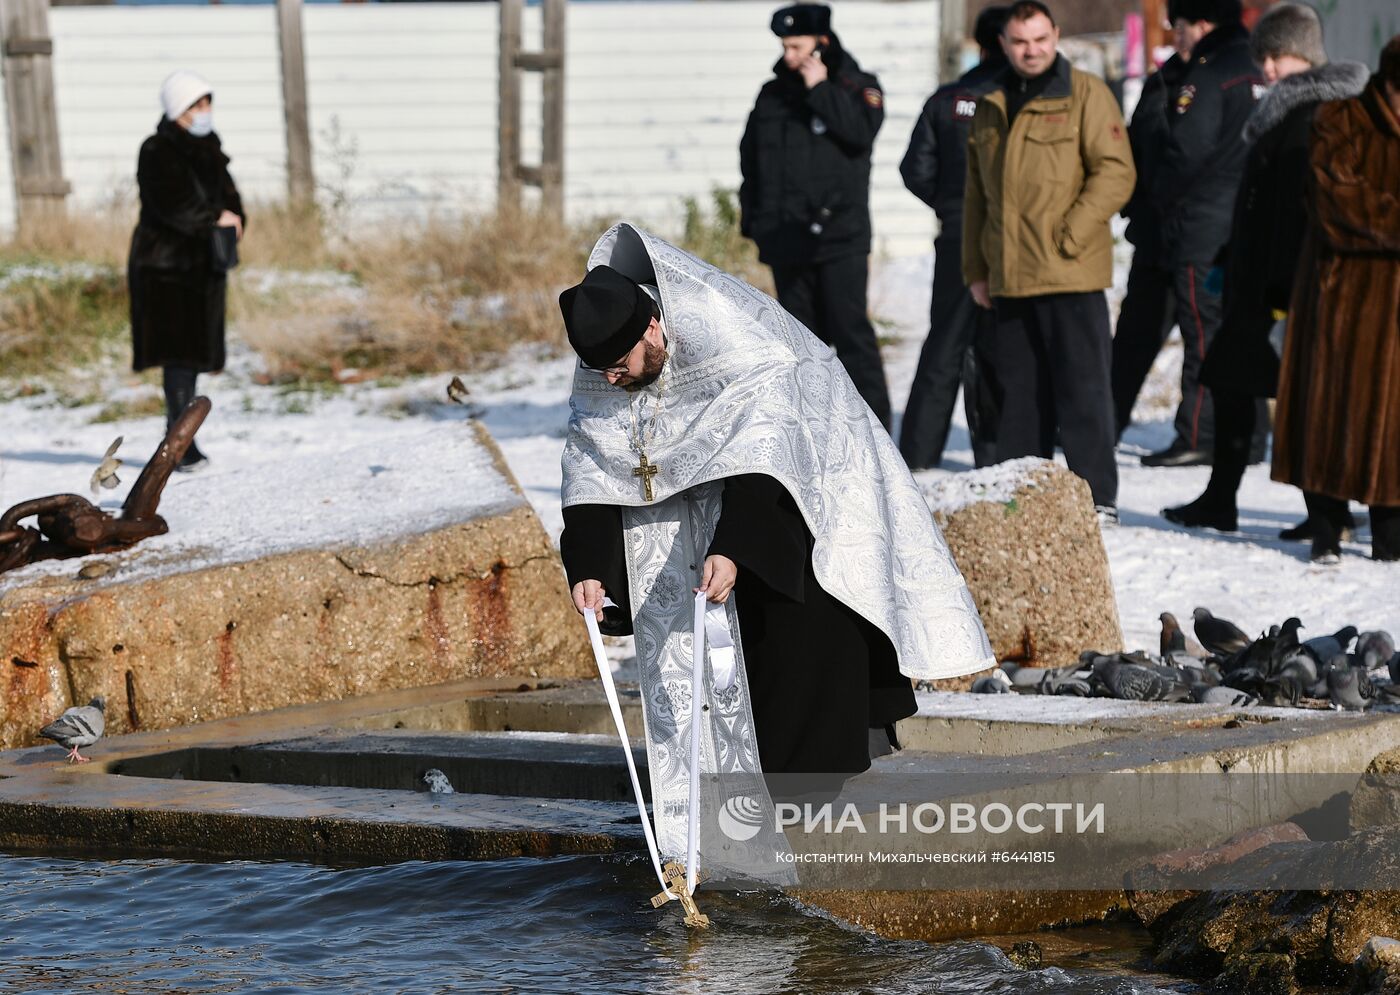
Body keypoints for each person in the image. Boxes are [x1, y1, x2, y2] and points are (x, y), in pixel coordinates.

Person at [557, 224, 993, 864]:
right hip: (694, 514)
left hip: (800, 501)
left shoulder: (742, 343)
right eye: (601, 371)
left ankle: (802, 813)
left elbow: (769, 457)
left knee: (793, 643)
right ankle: (712, 827)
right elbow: (594, 462)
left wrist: (736, 546)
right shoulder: (606, 364)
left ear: (653, 326)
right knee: (696, 656)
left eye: (621, 366)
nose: (612, 381)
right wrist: (590, 565)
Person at [1163, 4, 1368, 534]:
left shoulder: (1314, 115)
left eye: (1276, 57)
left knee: (1303, 400)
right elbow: (1260, 202)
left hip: (1288, 284)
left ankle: (1326, 510)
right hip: (1260, 277)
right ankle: (1242, 499)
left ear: (1303, 54)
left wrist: (1279, 287)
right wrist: (1232, 257)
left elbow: (1296, 211)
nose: (1267, 69)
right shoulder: (1285, 110)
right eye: (1264, 58)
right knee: (1243, 385)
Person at [962, 0, 1136, 524]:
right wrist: (976, 269)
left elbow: (1116, 173)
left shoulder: (1085, 93)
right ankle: (1027, 494)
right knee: (1022, 397)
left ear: (1056, 35)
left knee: (1083, 392)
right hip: (1010, 278)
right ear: (1005, 44)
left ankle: (1095, 498)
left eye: (1040, 38)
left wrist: (1070, 233)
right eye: (1020, 41)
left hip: (1069, 272)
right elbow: (977, 199)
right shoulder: (990, 102)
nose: (1031, 50)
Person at [1271, 36, 1400, 565]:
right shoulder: (1341, 119)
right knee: (1328, 413)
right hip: (1340, 295)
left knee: (1392, 424)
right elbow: (1338, 202)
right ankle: (1326, 522)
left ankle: (1389, 525)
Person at [739, 3, 892, 430]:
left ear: (822, 44)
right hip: (786, 240)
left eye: (798, 46)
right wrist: (755, 222)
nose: (790, 55)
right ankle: (814, 429)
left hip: (839, 238)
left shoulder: (856, 86)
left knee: (850, 334)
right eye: (785, 46)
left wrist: (821, 88)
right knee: (800, 345)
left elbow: (861, 134)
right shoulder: (772, 95)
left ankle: (876, 431)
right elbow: (751, 162)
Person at [1141, 0, 1263, 467]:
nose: (1177, 38)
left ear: (1203, 24)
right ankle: (1246, 438)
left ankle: (1197, 433)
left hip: (1203, 229)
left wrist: (1160, 198)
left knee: (1203, 334)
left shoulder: (1206, 76)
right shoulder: (1257, 66)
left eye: (1181, 27)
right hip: (1247, 227)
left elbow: (1185, 153)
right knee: (1242, 331)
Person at [897, 5, 1009, 471]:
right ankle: (998, 454)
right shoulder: (1022, 97)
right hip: (1011, 241)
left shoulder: (947, 99)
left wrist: (951, 207)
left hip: (958, 238)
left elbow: (914, 169)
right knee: (1002, 348)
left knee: (944, 345)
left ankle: (919, 454)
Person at [129, 71, 244, 471]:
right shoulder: (157, 150)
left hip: (202, 267)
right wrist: (217, 216)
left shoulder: (209, 148)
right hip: (167, 267)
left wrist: (234, 215)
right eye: (195, 105)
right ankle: (179, 444)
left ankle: (178, 439)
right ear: (178, 110)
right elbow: (173, 204)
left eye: (206, 103)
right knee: (178, 355)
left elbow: (230, 196)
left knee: (192, 357)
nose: (204, 112)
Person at [1109, 17, 1189, 439]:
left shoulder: (1230, 79)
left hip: (1203, 241)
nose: (1184, 33)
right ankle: (1108, 421)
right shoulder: (1160, 84)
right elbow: (1132, 151)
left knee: (1207, 349)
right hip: (1154, 235)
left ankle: (1202, 436)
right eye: (1180, 24)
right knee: (1133, 339)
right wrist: (1135, 208)